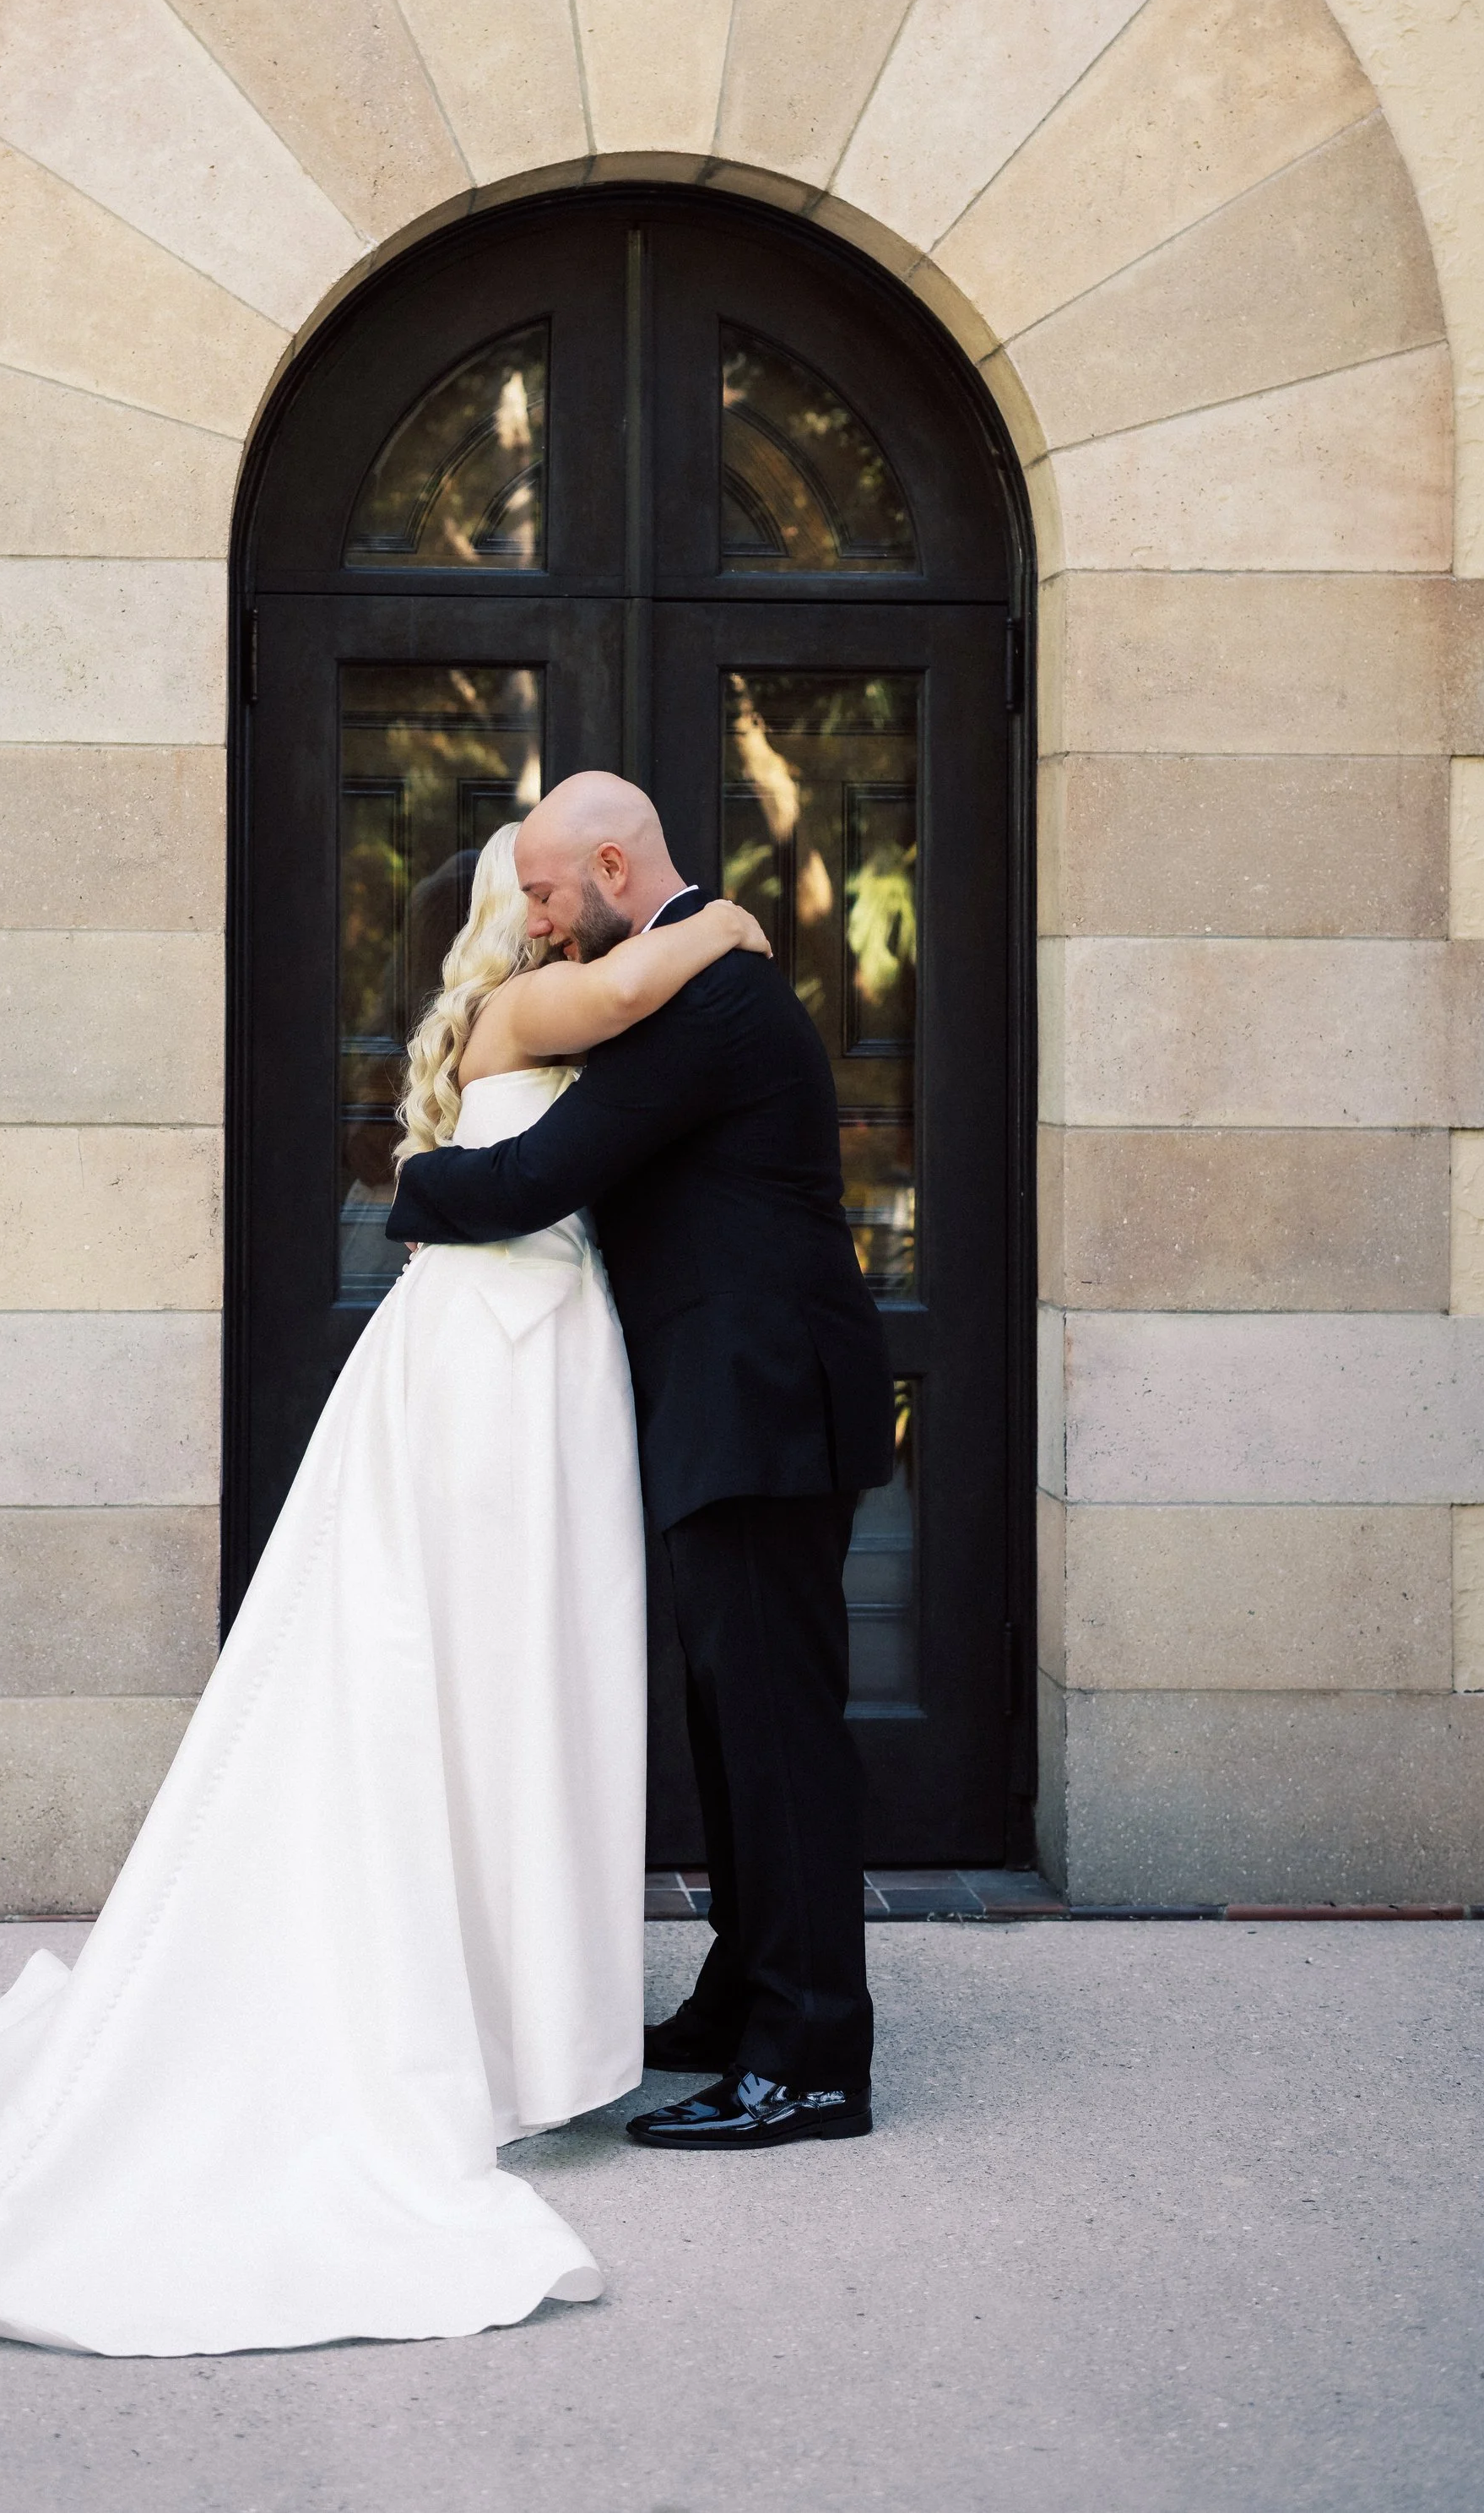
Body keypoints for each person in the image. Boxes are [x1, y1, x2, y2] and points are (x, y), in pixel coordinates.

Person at [0, 828, 768, 2355]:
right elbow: (649, 976)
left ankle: (508, 2013)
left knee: (521, 1672)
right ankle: (456, 2021)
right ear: (528, 912)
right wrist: (733, 921)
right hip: (491, 1363)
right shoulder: (529, 1009)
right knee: (461, 1665)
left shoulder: (549, 1008)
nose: (569, 920)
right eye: (552, 897)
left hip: (544, 1351)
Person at [387, 771, 893, 2152]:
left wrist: (416, 1194)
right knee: (740, 1726)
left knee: (780, 1738)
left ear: (614, 867)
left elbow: (550, 1171)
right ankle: (745, 1997)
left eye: (546, 890)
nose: (534, 919)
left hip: (764, 1404)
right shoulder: (687, 975)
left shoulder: (711, 1000)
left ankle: (811, 2062)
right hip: (733, 1405)